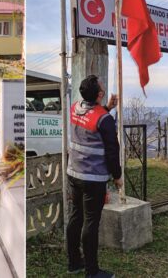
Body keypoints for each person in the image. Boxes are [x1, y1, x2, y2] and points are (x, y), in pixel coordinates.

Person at [66, 75, 122, 278]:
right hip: (93, 178)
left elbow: (90, 123)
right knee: (91, 221)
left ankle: (74, 262)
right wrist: (117, 176)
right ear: (99, 94)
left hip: (74, 172)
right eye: (101, 84)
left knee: (76, 216)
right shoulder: (104, 119)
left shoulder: (75, 108)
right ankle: (92, 271)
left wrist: (106, 107)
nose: (103, 84)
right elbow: (112, 150)